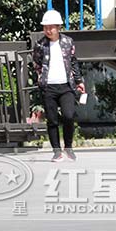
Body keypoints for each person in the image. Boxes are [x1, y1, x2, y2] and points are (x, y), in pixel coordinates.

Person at [32, 9, 86, 162]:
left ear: (58, 27)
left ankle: (68, 147)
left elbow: (74, 62)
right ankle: (56, 151)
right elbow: (36, 63)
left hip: (66, 85)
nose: (48, 30)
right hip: (49, 87)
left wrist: (79, 81)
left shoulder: (68, 42)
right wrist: (40, 77)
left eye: (51, 27)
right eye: (46, 27)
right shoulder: (40, 44)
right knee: (52, 120)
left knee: (69, 116)